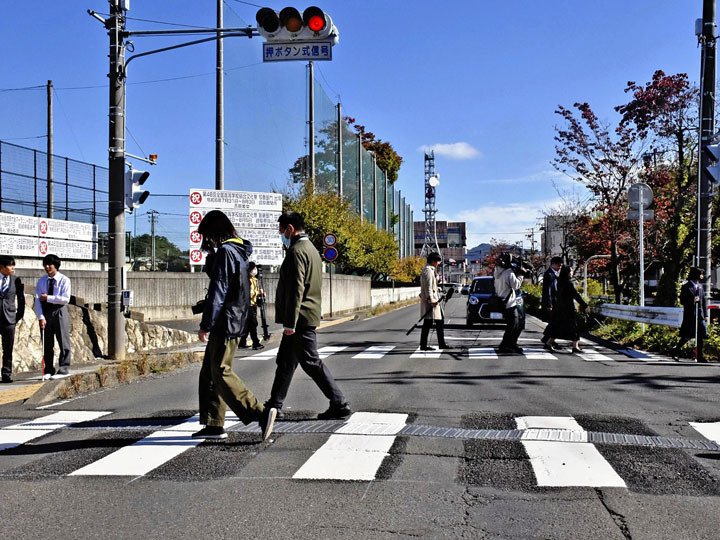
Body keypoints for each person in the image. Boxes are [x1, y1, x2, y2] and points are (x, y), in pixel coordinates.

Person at [194, 210, 276, 441]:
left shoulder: (226, 252)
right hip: (234, 317)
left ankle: (259, 412)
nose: (204, 242)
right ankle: (213, 424)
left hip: (224, 320)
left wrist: (206, 325)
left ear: (214, 233)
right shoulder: (238, 252)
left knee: (220, 369)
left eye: (206, 237)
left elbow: (219, 290)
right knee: (209, 373)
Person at [265, 211, 351, 420]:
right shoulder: (311, 249)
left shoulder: (296, 251)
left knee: (311, 362)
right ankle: (274, 404)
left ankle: (339, 403)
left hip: (300, 317)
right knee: (285, 361)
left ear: (290, 229)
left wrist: (290, 322)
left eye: (282, 231)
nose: (282, 235)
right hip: (306, 314)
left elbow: (296, 289)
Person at [34, 254, 71, 380]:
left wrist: (48, 298)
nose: (47, 267)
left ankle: (64, 367)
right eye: (45, 264)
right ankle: (49, 368)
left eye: (50, 264)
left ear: (56, 266)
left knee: (63, 341)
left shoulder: (64, 280)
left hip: (59, 311)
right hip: (46, 311)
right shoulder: (42, 281)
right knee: (47, 342)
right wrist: (40, 317)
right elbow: (37, 300)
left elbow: (65, 299)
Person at [543, 266, 589, 353]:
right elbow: (576, 295)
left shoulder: (560, 282)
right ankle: (575, 347)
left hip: (559, 308)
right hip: (568, 309)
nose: (572, 273)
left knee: (557, 327)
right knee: (575, 327)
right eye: (571, 271)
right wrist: (585, 305)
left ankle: (548, 343)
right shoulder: (568, 284)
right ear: (567, 273)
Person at [671, 267, 708, 362]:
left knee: (701, 335)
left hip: (700, 315)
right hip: (690, 315)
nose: (702, 276)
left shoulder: (700, 287)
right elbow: (682, 301)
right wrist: (692, 300)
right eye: (700, 274)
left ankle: (699, 356)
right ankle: (675, 350)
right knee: (687, 335)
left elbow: (704, 302)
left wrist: (706, 314)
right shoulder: (686, 287)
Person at [0, 255, 25, 383]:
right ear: (2, 267)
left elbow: (21, 299)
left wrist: (18, 316)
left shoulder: (16, 280)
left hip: (9, 318)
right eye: (10, 265)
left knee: (8, 347)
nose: (13, 268)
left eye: (13, 265)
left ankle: (6, 373)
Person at [494, 255, 525, 354]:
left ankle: (510, 344)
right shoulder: (508, 272)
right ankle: (506, 345)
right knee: (514, 326)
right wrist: (520, 275)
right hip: (510, 303)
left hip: (502, 301)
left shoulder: (497, 272)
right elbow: (516, 286)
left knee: (512, 325)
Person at [419, 252, 449, 351]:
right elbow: (427, 287)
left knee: (439, 322)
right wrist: (431, 300)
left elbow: (433, 285)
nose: (438, 263)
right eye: (437, 261)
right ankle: (424, 345)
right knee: (428, 322)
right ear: (433, 261)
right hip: (431, 301)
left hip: (435, 299)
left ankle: (441, 343)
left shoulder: (432, 270)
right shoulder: (428, 270)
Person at [239, 261, 265, 351]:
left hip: (252, 304)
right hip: (248, 305)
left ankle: (242, 342)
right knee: (253, 324)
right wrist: (258, 292)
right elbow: (248, 293)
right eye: (254, 268)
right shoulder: (247, 280)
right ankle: (256, 343)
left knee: (247, 324)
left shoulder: (254, 279)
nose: (255, 270)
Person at [540, 257, 563, 346]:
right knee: (554, 322)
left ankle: (547, 339)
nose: (559, 267)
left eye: (561, 266)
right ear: (553, 264)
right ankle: (548, 339)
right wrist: (549, 304)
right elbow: (548, 291)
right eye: (558, 265)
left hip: (555, 302)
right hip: (551, 302)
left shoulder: (554, 274)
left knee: (553, 322)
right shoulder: (549, 274)